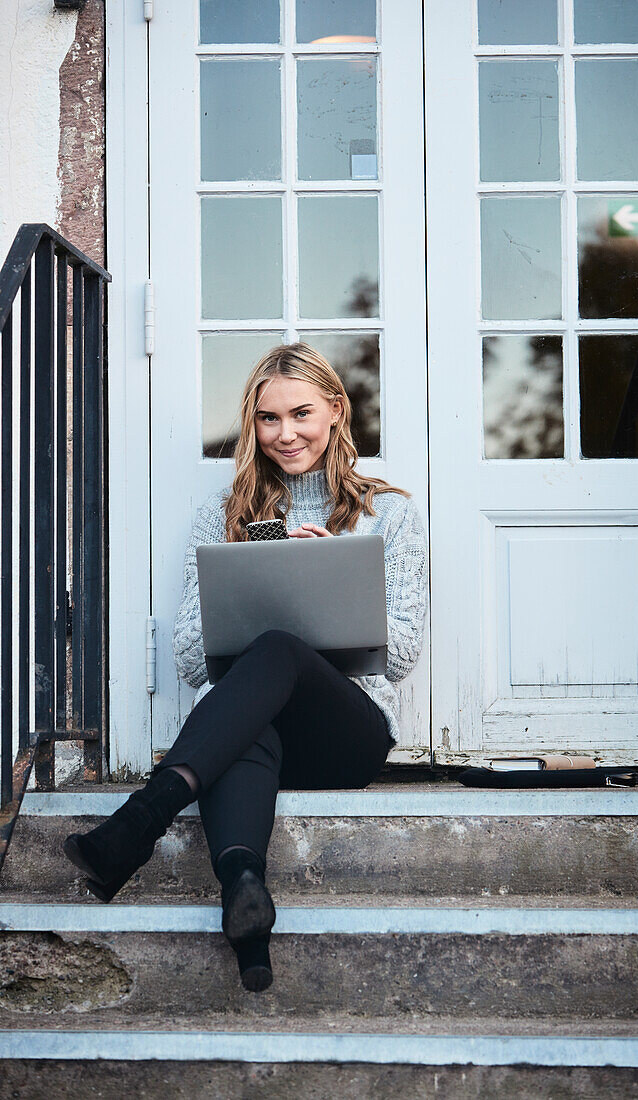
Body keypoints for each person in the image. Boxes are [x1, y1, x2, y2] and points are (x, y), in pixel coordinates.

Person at [62, 342, 429, 993]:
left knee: (279, 647)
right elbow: (188, 657)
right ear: (251, 423)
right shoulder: (227, 515)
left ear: (336, 411)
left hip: (346, 737)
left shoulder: (387, 514)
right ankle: (245, 902)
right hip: (251, 733)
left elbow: (398, 656)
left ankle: (142, 819)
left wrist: (325, 578)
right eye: (267, 419)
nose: (285, 434)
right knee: (245, 714)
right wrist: (261, 569)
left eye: (301, 414)